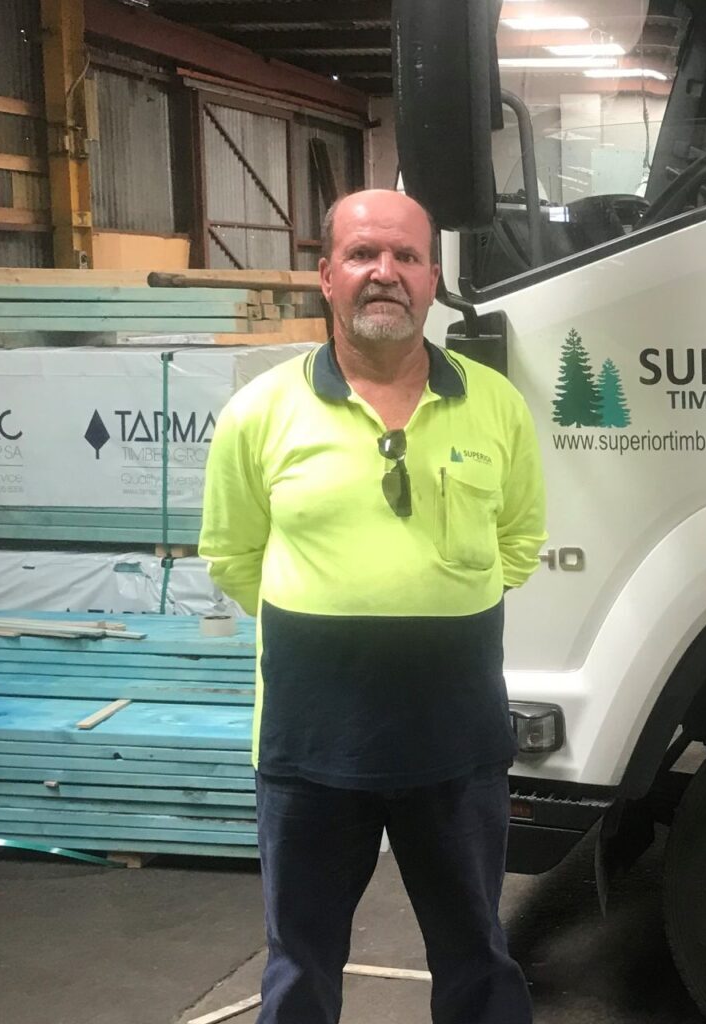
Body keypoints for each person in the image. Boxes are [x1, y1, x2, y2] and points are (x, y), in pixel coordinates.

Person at [199, 188, 546, 1024]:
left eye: (405, 257)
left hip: (455, 745)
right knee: (301, 965)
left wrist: (430, 606)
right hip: (311, 747)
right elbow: (234, 555)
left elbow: (519, 543)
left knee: (476, 956)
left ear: (432, 279)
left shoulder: (494, 406)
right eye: (362, 255)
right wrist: (337, 624)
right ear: (326, 275)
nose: (383, 273)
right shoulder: (261, 413)